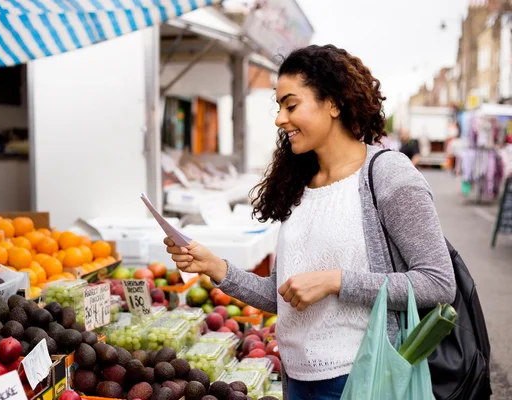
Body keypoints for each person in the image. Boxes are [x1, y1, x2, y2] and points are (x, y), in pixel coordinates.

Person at [164, 45, 455, 400]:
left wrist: (336, 282)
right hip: (297, 380)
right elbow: (285, 295)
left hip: (363, 376)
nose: (279, 119)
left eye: (291, 105)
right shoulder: (300, 186)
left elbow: (438, 284)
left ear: (333, 103)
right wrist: (216, 267)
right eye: (279, 108)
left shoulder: (387, 175)